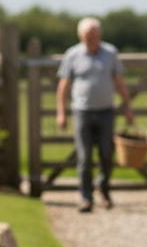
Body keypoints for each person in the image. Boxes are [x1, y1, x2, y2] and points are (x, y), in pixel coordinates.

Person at [56, 17, 135, 212]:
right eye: (86, 36)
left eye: (93, 36)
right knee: (84, 157)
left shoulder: (110, 53)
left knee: (107, 154)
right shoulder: (72, 55)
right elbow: (64, 86)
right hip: (82, 111)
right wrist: (61, 112)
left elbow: (119, 82)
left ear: (99, 35)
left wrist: (127, 107)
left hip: (106, 111)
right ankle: (86, 198)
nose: (90, 40)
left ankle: (104, 188)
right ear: (80, 36)